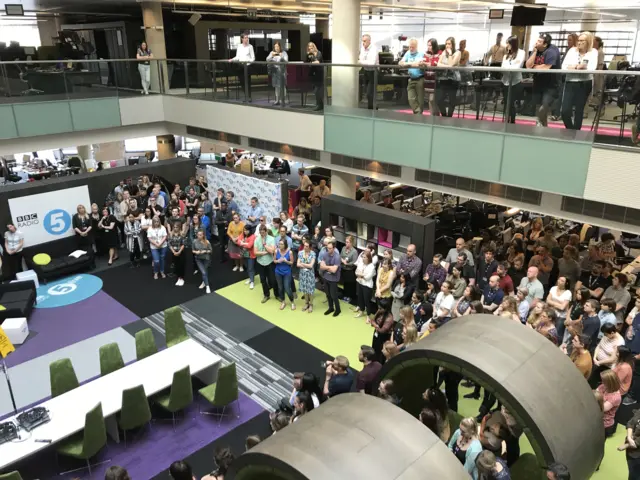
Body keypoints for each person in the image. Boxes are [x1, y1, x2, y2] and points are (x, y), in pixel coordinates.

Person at [561, 31, 598, 130]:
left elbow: (591, 68)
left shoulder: (593, 52)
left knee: (579, 110)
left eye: (582, 41)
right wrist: (578, 67)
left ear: (588, 42)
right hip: (570, 81)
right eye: (579, 40)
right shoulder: (572, 51)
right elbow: (564, 67)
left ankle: (576, 132)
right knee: (564, 110)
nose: (579, 43)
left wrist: (573, 67)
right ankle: (570, 129)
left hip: (585, 83)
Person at [525, 33, 561, 127]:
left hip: (552, 83)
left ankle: (539, 122)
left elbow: (546, 67)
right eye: (537, 40)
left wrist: (534, 67)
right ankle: (543, 125)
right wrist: (535, 52)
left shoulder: (552, 50)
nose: (536, 43)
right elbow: (528, 66)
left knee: (544, 106)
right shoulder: (535, 50)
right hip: (538, 81)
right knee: (538, 105)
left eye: (539, 41)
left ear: (545, 44)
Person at [590, 323, 625, 388]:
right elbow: (599, 346)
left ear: (612, 333)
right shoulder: (606, 335)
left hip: (607, 367)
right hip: (597, 362)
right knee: (591, 380)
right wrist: (595, 358)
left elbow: (612, 359)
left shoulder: (619, 342)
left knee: (598, 384)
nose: (604, 335)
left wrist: (599, 362)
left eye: (605, 334)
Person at [501, 35, 525, 124]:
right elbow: (503, 69)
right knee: (506, 104)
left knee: (512, 103)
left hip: (516, 82)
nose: (506, 46)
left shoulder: (521, 52)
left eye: (507, 43)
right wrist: (510, 66)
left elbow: (517, 67)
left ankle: (512, 122)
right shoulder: (505, 56)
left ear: (512, 44)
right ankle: (506, 121)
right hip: (505, 82)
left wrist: (509, 67)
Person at [436, 36, 461, 117]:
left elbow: (451, 65)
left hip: (453, 80)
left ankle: (449, 116)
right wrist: (445, 65)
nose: (447, 45)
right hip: (444, 79)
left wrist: (450, 54)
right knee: (439, 100)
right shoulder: (443, 52)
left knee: (452, 100)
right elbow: (438, 64)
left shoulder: (457, 53)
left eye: (449, 44)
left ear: (453, 45)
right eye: (446, 44)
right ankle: (444, 115)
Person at [399, 38, 425, 115]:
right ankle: (418, 113)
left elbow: (420, 64)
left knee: (420, 99)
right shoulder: (407, 53)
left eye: (412, 47)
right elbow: (400, 63)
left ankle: (418, 115)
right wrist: (411, 64)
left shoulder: (421, 54)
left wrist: (408, 63)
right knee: (411, 98)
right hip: (411, 79)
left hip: (420, 78)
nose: (411, 48)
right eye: (410, 47)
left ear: (416, 47)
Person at [254, 225, 278, 303]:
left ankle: (277, 295)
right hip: (260, 263)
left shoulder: (271, 239)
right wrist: (264, 252)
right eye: (261, 233)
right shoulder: (257, 239)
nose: (262, 234)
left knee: (273, 280)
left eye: (263, 233)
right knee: (263, 280)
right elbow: (255, 253)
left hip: (270, 262)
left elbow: (272, 251)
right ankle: (266, 295)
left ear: (266, 231)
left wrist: (264, 244)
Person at [229, 32, 255, 102]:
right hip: (240, 66)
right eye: (245, 38)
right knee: (242, 82)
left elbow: (253, 58)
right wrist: (232, 59)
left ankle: (249, 97)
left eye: (247, 38)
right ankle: (246, 96)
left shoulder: (250, 46)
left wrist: (248, 63)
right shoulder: (239, 46)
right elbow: (238, 56)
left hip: (247, 66)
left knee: (248, 82)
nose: (247, 39)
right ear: (242, 39)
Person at [319, 240, 342, 317]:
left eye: (330, 248)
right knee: (328, 294)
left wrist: (326, 267)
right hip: (326, 277)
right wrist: (329, 268)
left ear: (334, 248)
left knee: (334, 295)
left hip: (334, 279)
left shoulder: (337, 257)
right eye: (328, 248)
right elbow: (321, 266)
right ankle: (331, 307)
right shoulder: (325, 254)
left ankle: (338, 309)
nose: (329, 249)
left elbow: (334, 270)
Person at [597, 369, 622, 437]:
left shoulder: (615, 397)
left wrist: (596, 397)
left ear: (609, 382)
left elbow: (603, 408)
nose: (602, 382)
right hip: (597, 418)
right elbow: (595, 393)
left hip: (604, 424)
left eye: (604, 381)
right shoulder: (603, 386)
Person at [354, 250, 376, 322]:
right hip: (359, 283)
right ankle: (361, 311)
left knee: (367, 301)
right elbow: (356, 272)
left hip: (367, 286)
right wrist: (362, 275)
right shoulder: (360, 263)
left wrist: (361, 275)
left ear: (368, 258)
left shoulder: (371, 266)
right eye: (362, 257)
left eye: (364, 257)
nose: (363, 258)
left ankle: (368, 316)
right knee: (360, 298)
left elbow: (368, 277)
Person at [274, 238, 295, 311]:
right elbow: (274, 261)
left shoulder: (290, 252)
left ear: (285, 245)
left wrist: (286, 261)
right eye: (279, 244)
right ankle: (283, 301)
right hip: (278, 271)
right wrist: (278, 261)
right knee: (280, 287)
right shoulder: (276, 251)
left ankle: (292, 302)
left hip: (287, 272)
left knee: (287, 288)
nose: (280, 245)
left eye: (281, 244)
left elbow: (292, 263)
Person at [297, 239, 316, 313]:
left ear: (310, 247)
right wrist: (305, 265)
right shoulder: (300, 253)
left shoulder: (313, 254)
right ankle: (306, 303)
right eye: (304, 246)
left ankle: (311, 304)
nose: (305, 247)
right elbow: (297, 264)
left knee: (310, 290)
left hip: (310, 274)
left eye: (307, 246)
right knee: (305, 289)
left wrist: (303, 264)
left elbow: (311, 265)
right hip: (303, 274)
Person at [359, 34, 378, 110]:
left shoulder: (374, 49)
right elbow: (360, 59)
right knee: (367, 92)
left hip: (373, 72)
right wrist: (364, 61)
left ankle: (372, 109)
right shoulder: (362, 48)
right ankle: (371, 107)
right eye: (362, 41)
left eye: (364, 41)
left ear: (369, 41)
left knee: (370, 93)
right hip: (366, 71)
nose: (363, 43)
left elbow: (372, 63)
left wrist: (362, 62)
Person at [266, 41, 288, 106]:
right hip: (275, 71)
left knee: (282, 86)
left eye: (277, 46)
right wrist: (271, 56)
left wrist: (281, 57)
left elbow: (286, 61)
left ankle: (282, 99)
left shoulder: (284, 53)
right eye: (275, 46)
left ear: (280, 47)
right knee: (276, 86)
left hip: (282, 71)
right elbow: (267, 59)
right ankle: (277, 100)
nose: (276, 48)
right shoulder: (272, 53)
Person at [306, 42, 324, 111]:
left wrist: (312, 58)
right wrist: (310, 57)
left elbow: (318, 62)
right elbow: (307, 62)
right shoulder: (309, 54)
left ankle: (319, 104)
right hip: (313, 74)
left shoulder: (318, 53)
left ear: (314, 47)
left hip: (320, 74)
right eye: (309, 47)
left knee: (318, 90)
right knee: (315, 90)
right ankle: (319, 104)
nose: (310, 49)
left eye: (311, 47)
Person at [237, 224, 256, 289]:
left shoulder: (253, 236)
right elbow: (238, 241)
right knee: (247, 267)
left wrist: (243, 243)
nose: (245, 232)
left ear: (249, 230)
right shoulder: (242, 234)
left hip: (251, 255)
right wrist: (243, 243)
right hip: (244, 254)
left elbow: (250, 245)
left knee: (251, 268)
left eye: (246, 230)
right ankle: (250, 278)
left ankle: (252, 282)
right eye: (244, 230)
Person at [340, 236, 358, 303]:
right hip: (343, 269)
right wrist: (342, 260)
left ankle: (350, 297)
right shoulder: (343, 248)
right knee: (345, 284)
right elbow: (340, 256)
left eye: (347, 242)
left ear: (351, 243)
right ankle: (345, 295)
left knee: (350, 285)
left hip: (350, 271)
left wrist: (346, 263)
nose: (346, 243)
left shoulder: (354, 251)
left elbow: (354, 262)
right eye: (346, 242)